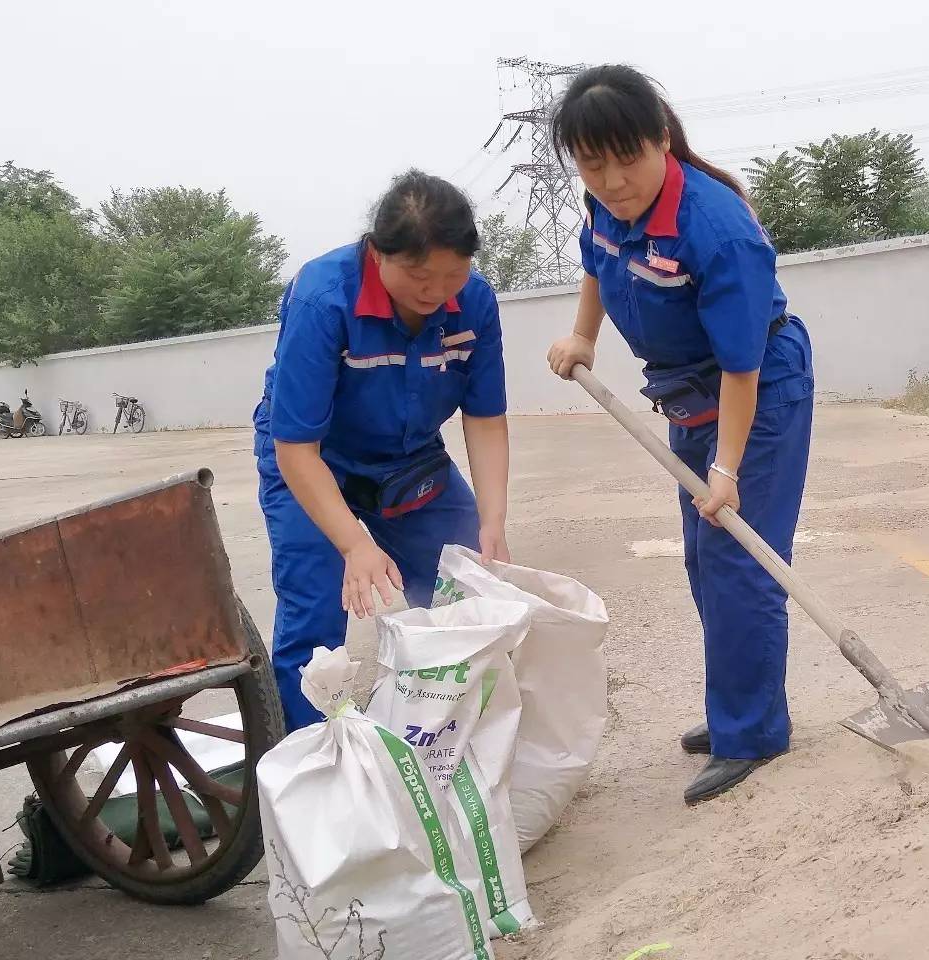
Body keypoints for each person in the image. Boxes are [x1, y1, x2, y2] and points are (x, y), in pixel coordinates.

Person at [547, 66, 815, 805]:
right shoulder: (606, 207)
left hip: (755, 393)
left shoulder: (716, 228)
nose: (612, 182)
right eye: (591, 165)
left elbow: (742, 366)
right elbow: (596, 262)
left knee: (741, 560)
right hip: (687, 396)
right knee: (705, 557)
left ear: (661, 138)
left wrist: (726, 469)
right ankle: (738, 705)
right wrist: (582, 335)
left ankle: (752, 732)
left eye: (626, 159)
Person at [255, 171, 510, 731]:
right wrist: (354, 544)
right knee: (315, 618)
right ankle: (315, 758)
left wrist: (493, 519)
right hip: (315, 461)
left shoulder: (474, 301)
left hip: (410, 459)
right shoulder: (324, 298)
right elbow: (296, 446)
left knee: (469, 589)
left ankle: (455, 746)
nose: (436, 291)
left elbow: (485, 417)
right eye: (418, 275)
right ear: (377, 252)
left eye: (452, 273)